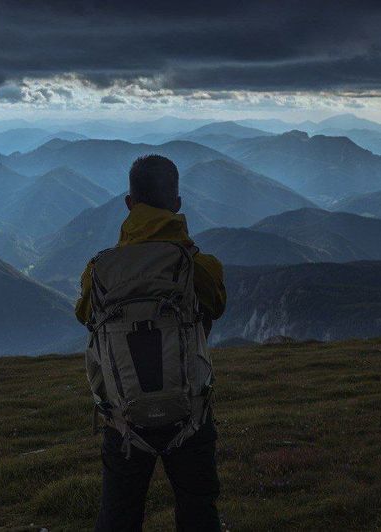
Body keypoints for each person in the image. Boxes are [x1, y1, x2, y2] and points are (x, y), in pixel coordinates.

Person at [75, 154, 226, 532]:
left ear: (129, 203)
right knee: (198, 512)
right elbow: (216, 306)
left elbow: (83, 315)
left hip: (124, 417)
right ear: (177, 204)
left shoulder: (99, 270)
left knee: (118, 516)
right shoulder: (198, 266)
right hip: (189, 412)